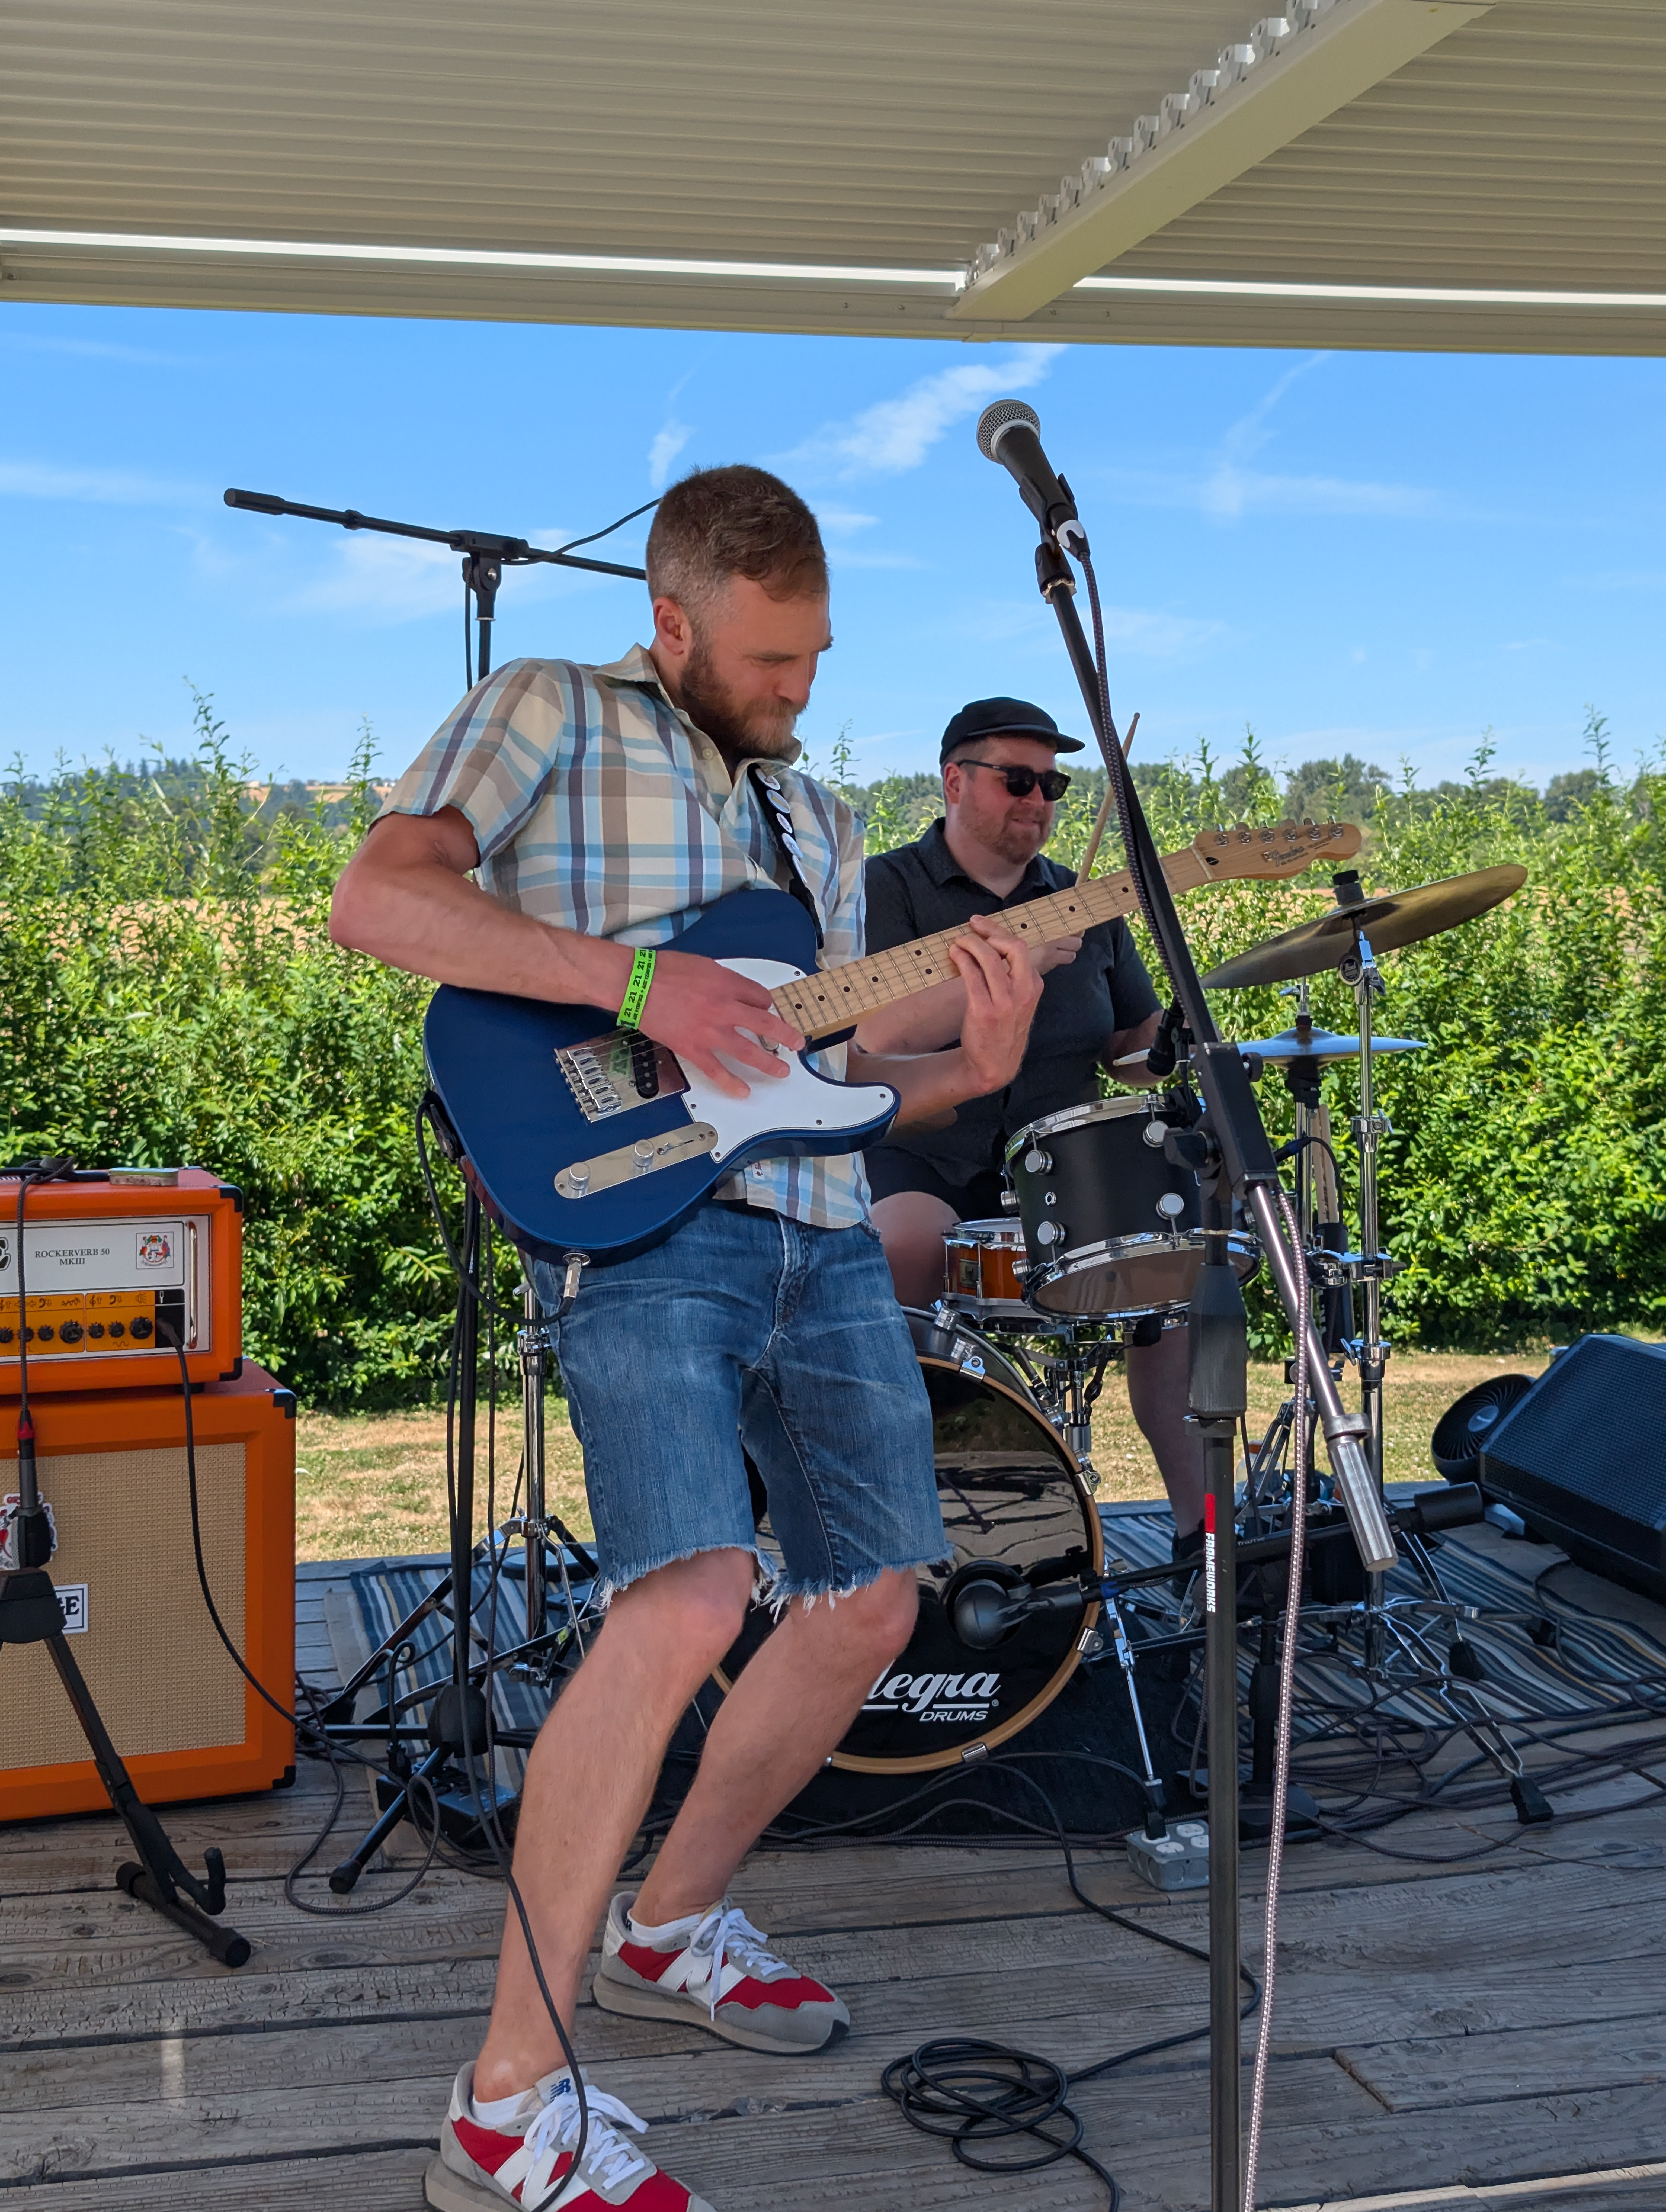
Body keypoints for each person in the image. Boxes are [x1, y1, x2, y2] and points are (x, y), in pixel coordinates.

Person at [330, 468, 1043, 2212]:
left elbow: (829, 1075)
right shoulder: (553, 708)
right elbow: (381, 900)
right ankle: (508, 2104)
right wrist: (639, 986)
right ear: (674, 623)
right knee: (689, 1600)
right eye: (772, 658)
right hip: (643, 1230)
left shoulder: (815, 809)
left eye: (816, 657)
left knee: (875, 1595)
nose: (801, 689)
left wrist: (969, 1070)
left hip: (815, 1242)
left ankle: (673, 1921)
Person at [853, 696, 1206, 1549]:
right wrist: (1013, 969)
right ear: (954, 781)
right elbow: (866, 1040)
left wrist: (1177, 1044)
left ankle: (1206, 1537)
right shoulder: (884, 888)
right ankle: (900, 1522)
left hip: (1061, 1170)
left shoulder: (1087, 903)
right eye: (1018, 780)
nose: (1039, 800)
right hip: (922, 1156)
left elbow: (1127, 1044)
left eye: (1053, 784)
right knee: (905, 1247)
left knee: (1177, 1272)